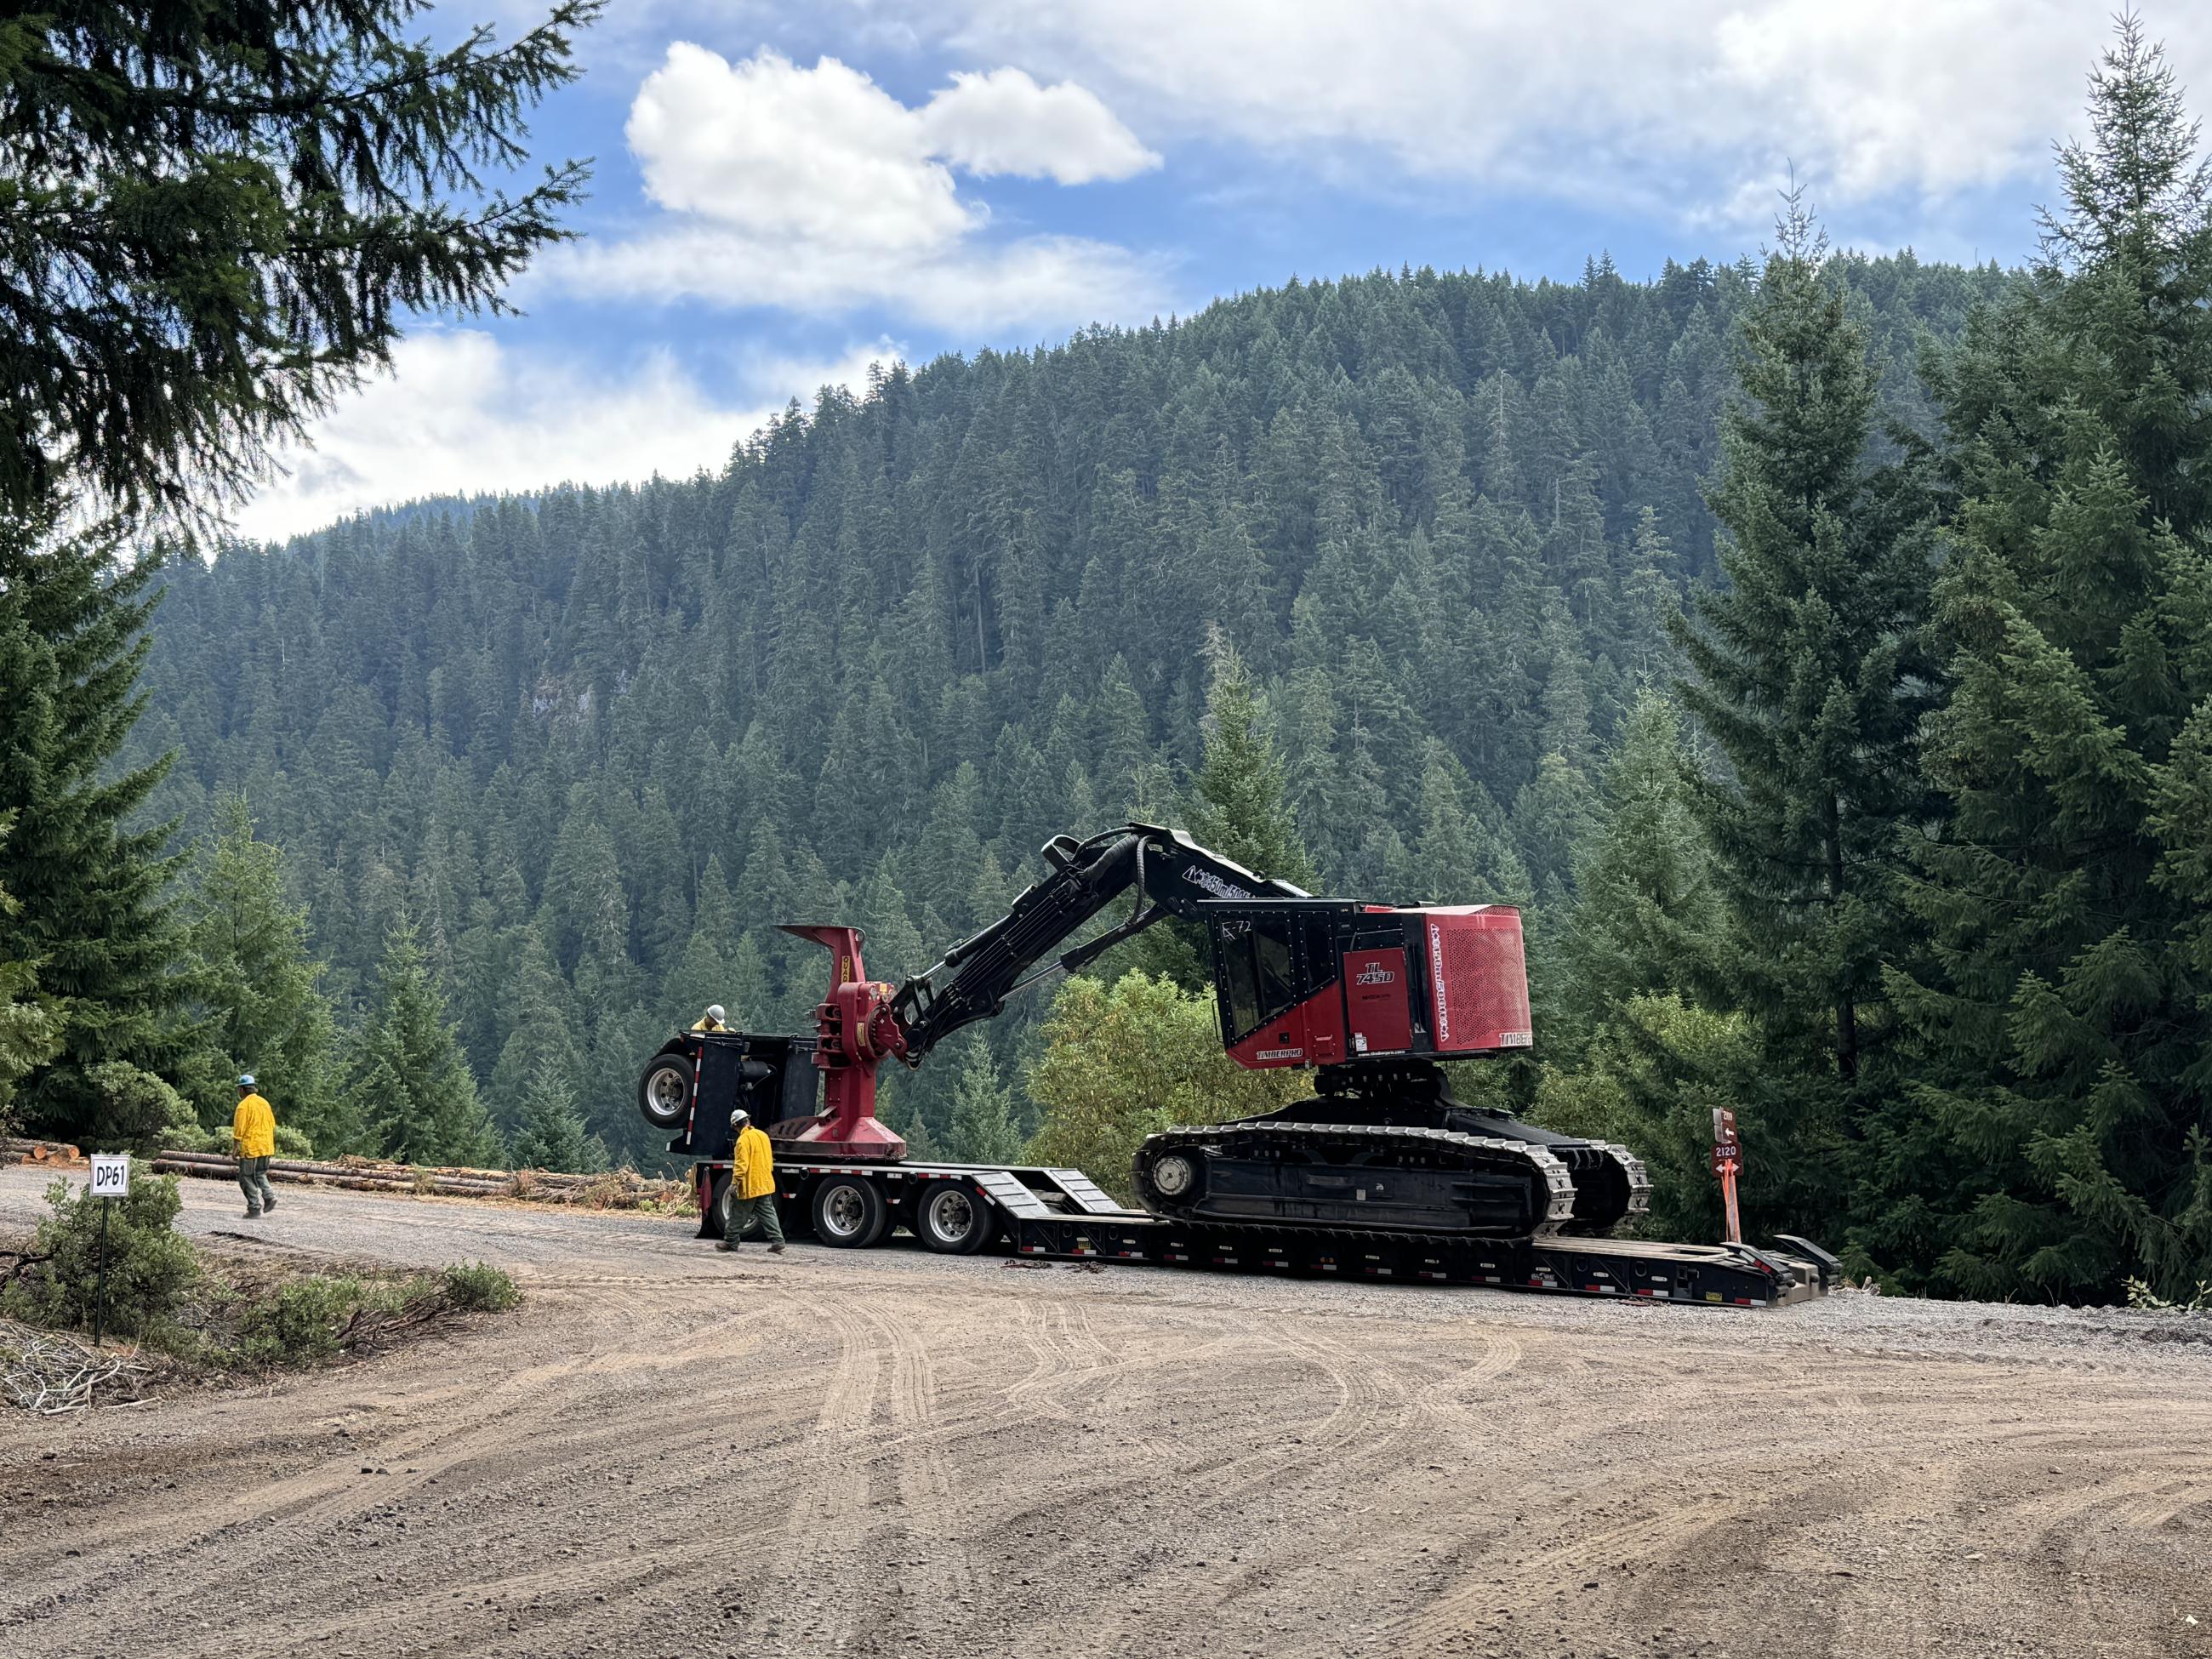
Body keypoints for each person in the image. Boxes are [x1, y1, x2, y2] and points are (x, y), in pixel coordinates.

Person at [716, 1108, 784, 1254]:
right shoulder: (762, 1135)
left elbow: (741, 1165)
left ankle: (730, 1242)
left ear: (735, 1126)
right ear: (748, 1120)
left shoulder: (743, 1141)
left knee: (737, 1213)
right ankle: (778, 1242)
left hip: (749, 1185)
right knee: (768, 1214)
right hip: (765, 1183)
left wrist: (735, 1183)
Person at [233, 1075, 278, 1219]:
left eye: (239, 1089)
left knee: (246, 1177)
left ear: (242, 1089)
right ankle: (269, 1196)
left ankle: (254, 1208)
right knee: (260, 1174)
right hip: (266, 1146)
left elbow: (239, 1130)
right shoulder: (264, 1103)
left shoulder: (243, 1106)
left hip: (251, 1147)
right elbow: (272, 1124)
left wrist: (235, 1148)